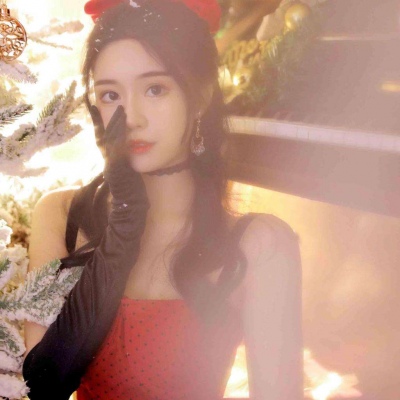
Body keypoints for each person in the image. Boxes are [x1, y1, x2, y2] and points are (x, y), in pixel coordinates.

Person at [23, 0, 303, 399]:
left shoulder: (260, 245)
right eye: (110, 95)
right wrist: (123, 230)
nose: (132, 117)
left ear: (201, 95)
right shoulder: (60, 215)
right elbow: (40, 387)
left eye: (155, 89)